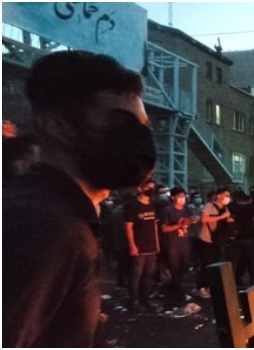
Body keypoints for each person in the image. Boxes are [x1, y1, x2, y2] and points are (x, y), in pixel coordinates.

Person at [3, 50, 155, 347]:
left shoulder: (63, 216)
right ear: (60, 127)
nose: (138, 139)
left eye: (142, 126)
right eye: (120, 123)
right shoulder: (44, 228)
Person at [124, 179, 160, 313]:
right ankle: (133, 301)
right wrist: (132, 245)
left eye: (153, 187)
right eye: (148, 187)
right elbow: (128, 227)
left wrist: (157, 244)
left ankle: (145, 300)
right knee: (135, 276)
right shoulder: (132, 205)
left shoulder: (152, 204)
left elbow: (154, 225)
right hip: (139, 247)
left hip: (151, 247)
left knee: (148, 275)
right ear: (140, 188)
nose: (151, 189)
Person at [159, 187, 200, 304]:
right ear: (173, 197)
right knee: (174, 268)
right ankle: (176, 293)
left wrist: (193, 220)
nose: (182, 198)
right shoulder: (168, 211)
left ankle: (174, 289)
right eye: (180, 196)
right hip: (172, 243)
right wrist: (179, 225)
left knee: (184, 266)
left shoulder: (187, 210)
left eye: (184, 196)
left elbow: (193, 219)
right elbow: (164, 228)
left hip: (184, 242)